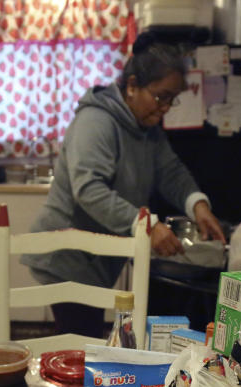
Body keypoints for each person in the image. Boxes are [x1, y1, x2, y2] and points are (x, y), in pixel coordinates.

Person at [22, 34, 226, 338]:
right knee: (80, 345)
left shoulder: (146, 128)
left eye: (173, 98)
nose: (167, 107)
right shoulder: (97, 122)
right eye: (161, 96)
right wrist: (146, 226)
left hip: (92, 258)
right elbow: (89, 189)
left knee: (84, 344)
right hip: (66, 257)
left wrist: (198, 205)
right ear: (132, 86)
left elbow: (171, 171)